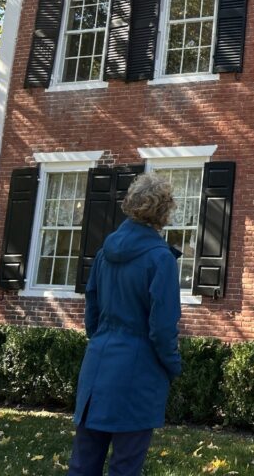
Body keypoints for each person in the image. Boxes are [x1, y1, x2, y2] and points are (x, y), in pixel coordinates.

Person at [68, 173, 183, 476]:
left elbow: (91, 311)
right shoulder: (161, 259)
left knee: (83, 463)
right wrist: (172, 365)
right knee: (126, 466)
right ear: (164, 210)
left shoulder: (105, 252)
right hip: (138, 369)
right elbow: (162, 328)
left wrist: (102, 339)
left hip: (97, 365)